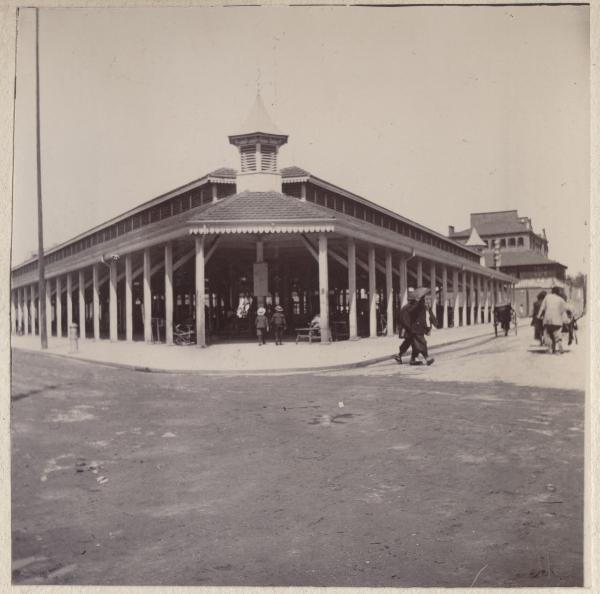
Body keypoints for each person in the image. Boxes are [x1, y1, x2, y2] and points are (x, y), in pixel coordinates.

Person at [408, 288, 435, 366]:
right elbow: (411, 312)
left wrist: (427, 329)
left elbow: (426, 318)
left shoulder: (423, 306)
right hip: (416, 328)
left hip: (420, 328)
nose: (427, 301)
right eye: (425, 298)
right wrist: (417, 302)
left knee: (417, 345)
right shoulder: (416, 305)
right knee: (422, 342)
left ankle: (413, 360)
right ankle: (427, 358)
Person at [537, 286, 567, 354]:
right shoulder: (561, 299)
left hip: (547, 320)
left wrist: (538, 316)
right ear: (558, 292)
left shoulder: (547, 297)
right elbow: (564, 309)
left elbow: (542, 307)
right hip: (557, 321)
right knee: (557, 334)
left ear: (552, 291)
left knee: (547, 334)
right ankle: (559, 343)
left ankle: (550, 348)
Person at [394, 292, 417, 364]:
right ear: (411, 301)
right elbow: (405, 320)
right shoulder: (406, 308)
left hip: (408, 328)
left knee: (409, 342)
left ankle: (404, 356)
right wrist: (410, 328)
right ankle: (411, 358)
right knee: (411, 342)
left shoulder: (407, 308)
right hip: (407, 329)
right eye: (414, 301)